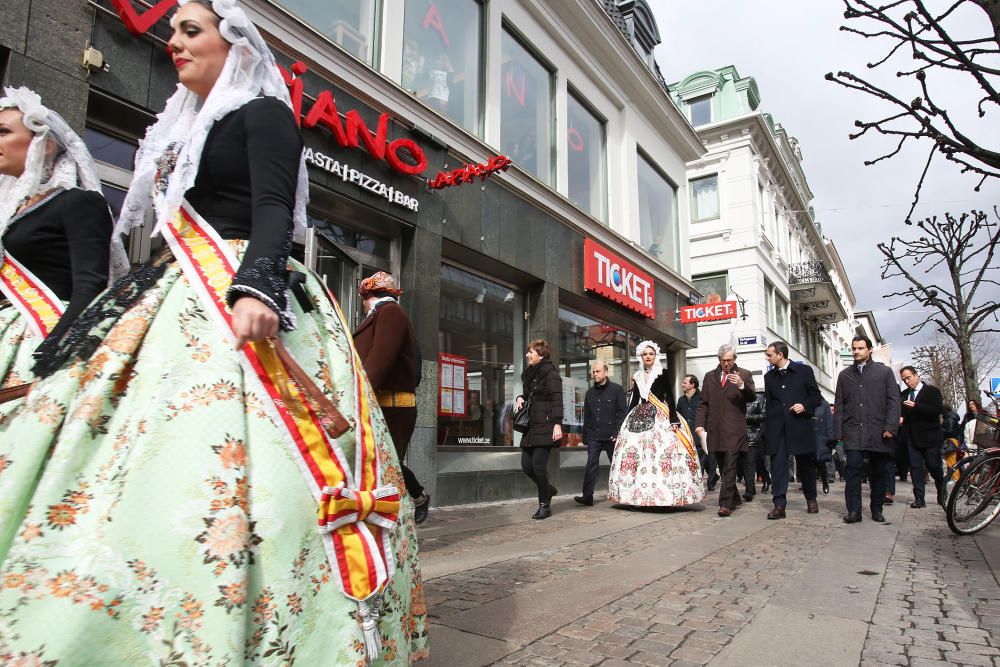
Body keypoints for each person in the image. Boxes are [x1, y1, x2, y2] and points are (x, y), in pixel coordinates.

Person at [0, 2, 427, 663]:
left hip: (241, 292)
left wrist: (258, 283)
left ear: (234, 46)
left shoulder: (264, 113)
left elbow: (271, 207)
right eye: (171, 30)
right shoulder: (182, 134)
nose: (174, 40)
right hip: (176, 297)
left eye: (190, 29)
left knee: (256, 468)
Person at [0, 87, 123, 403]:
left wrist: (58, 345)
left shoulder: (79, 203)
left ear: (45, 144)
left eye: (3, 132)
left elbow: (91, 284)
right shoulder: (12, 212)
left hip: (41, 332)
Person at [354, 271, 430, 523]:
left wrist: (361, 390)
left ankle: (396, 517)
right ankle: (410, 502)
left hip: (391, 406)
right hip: (379, 403)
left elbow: (381, 356)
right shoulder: (383, 315)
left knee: (387, 466)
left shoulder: (390, 313)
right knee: (384, 465)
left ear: (368, 295)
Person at [608, 340, 703, 507]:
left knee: (660, 453)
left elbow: (670, 396)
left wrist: (673, 417)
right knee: (638, 454)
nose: (648, 357)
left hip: (660, 415)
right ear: (641, 356)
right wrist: (626, 422)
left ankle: (662, 495)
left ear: (655, 355)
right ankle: (637, 494)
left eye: (651, 354)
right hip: (640, 414)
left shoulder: (662, 373)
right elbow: (635, 399)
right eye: (645, 354)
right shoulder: (637, 375)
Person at [834, 335, 900, 524]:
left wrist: (890, 427)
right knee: (852, 472)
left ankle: (876, 508)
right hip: (853, 431)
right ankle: (854, 511)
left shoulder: (883, 372)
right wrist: (838, 433)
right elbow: (839, 405)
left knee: (878, 473)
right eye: (854, 348)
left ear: (869, 350)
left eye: (860, 348)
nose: (856, 352)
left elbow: (893, 402)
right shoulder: (844, 375)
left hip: (878, 431)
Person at [762, 341, 822, 519]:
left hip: (800, 425)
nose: (768, 357)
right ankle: (779, 504)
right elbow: (770, 402)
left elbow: (816, 396)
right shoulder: (769, 377)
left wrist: (804, 406)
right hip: (777, 428)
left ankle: (811, 498)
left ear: (780, 355)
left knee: (806, 465)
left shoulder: (804, 371)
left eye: (770, 354)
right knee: (778, 466)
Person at [695, 344, 755, 517]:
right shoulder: (709, 377)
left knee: (730, 465)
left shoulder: (744, 374)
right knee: (722, 465)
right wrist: (699, 424)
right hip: (714, 428)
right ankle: (734, 497)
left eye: (730, 360)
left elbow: (751, 397)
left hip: (734, 429)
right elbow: (703, 403)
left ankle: (725, 504)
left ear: (735, 359)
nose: (727, 363)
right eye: (724, 360)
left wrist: (742, 385)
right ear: (719, 359)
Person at [515, 339, 563, 519]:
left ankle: (544, 505)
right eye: (528, 352)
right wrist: (520, 397)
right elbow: (528, 396)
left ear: (541, 354)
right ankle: (548, 489)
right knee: (526, 466)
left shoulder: (550, 374)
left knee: (538, 465)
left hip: (546, 426)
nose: (527, 355)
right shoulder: (530, 374)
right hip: (531, 427)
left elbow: (557, 399)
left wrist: (557, 424)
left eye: (531, 352)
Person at [575, 360, 627, 506]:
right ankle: (587, 496)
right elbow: (587, 416)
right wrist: (585, 437)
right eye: (593, 372)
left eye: (597, 371)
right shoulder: (590, 393)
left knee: (616, 465)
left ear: (605, 372)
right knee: (591, 464)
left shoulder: (617, 389)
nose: (595, 374)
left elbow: (622, 413)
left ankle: (624, 495)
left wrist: (617, 432)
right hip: (594, 435)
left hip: (611, 435)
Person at [898, 366, 946, 508]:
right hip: (911, 437)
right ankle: (919, 498)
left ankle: (941, 490)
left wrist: (916, 406)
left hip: (930, 436)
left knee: (933, 465)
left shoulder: (932, 391)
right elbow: (902, 413)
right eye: (904, 379)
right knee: (915, 467)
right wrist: (901, 419)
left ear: (916, 375)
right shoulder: (904, 394)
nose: (907, 381)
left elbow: (937, 410)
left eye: (908, 378)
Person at [677, 373, 709, 474]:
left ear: (692, 385)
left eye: (685, 383)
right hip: (686, 436)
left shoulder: (702, 398)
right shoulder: (681, 400)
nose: (682, 384)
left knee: (700, 460)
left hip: (698, 434)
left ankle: (702, 480)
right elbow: (678, 415)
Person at [813, 397, 836, 495]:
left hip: (820, 435)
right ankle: (810, 485)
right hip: (808, 435)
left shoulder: (824, 404)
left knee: (820, 461)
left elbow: (829, 422)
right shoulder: (804, 402)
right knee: (808, 462)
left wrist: (830, 438)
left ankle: (825, 481)